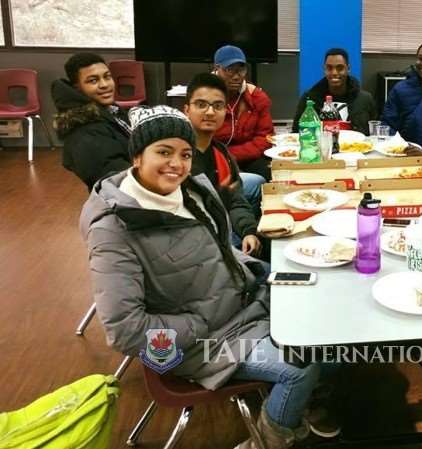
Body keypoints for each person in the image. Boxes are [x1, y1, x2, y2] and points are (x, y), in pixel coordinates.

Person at [79, 105, 328, 449]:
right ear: (136, 156)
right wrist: (198, 324)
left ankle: (297, 408)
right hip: (200, 343)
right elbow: (126, 331)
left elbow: (220, 249)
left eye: (185, 154)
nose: (177, 164)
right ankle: (270, 440)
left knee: (321, 316)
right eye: (163, 152)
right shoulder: (114, 229)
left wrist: (258, 271)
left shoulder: (192, 190)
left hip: (241, 305)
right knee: (301, 367)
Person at [183, 73, 264, 255]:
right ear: (186, 110)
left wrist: (248, 231)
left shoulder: (222, 154)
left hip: (221, 228)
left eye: (218, 106)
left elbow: (235, 200)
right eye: (201, 105)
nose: (210, 112)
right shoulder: (179, 159)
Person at [52, 53, 131, 191]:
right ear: (77, 87)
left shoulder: (111, 111)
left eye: (107, 77)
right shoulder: (84, 132)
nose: (104, 85)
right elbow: (117, 181)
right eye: (93, 81)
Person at [212, 45, 274, 181]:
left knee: (271, 173)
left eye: (241, 70)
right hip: (214, 158)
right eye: (229, 70)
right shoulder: (205, 97)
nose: (236, 77)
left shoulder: (257, 97)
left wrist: (232, 155)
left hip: (249, 157)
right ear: (217, 69)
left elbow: (265, 138)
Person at [292, 48, 378, 135]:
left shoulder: (365, 99)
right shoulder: (310, 99)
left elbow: (374, 132)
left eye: (340, 68)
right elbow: (296, 133)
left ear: (348, 69)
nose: (334, 73)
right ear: (324, 69)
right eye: (329, 68)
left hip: (357, 143)